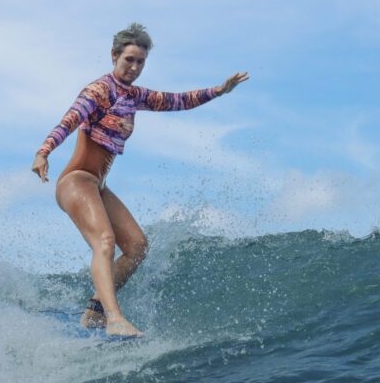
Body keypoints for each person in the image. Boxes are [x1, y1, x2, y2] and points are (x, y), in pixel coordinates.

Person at [31, 23, 248, 337]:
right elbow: (71, 118)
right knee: (104, 242)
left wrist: (218, 91)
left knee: (137, 247)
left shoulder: (135, 97)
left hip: (98, 185)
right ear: (114, 56)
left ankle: (94, 310)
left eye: (140, 62)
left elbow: (178, 101)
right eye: (128, 59)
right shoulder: (98, 90)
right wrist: (44, 151)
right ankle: (115, 318)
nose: (134, 67)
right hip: (76, 181)